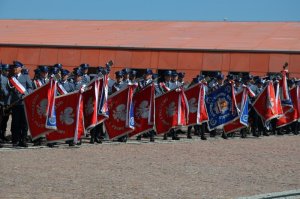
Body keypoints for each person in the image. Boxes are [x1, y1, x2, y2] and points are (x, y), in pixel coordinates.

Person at [8, 61, 33, 147]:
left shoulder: (26, 77)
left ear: (20, 68)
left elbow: (30, 88)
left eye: (16, 67)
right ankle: (15, 140)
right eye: (14, 67)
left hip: (24, 104)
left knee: (24, 123)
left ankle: (23, 140)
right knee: (15, 123)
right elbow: (9, 91)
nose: (15, 69)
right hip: (15, 104)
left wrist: (25, 94)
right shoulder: (11, 79)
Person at [0, 64, 10, 144]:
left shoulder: (7, 79)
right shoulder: (1, 78)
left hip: (6, 103)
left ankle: (2, 135)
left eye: (8, 70)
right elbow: (4, 91)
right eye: (6, 70)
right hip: (1, 102)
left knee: (4, 121)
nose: (7, 72)